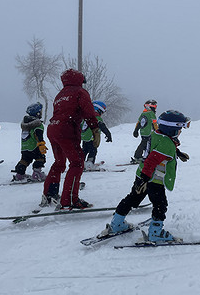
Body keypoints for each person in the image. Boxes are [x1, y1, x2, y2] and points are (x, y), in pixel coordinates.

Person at [101, 110, 191, 243]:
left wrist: (176, 152)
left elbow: (158, 149)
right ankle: (155, 233)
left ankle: (116, 224)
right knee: (160, 205)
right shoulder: (166, 144)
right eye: (179, 129)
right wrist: (145, 179)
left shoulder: (156, 135)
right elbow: (152, 160)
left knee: (132, 199)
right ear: (171, 129)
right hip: (153, 180)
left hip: (142, 176)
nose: (180, 131)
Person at [41, 68, 100, 209]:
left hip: (53, 128)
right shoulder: (80, 92)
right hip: (66, 130)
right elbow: (88, 111)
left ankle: (49, 193)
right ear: (79, 80)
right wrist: (95, 129)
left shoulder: (60, 95)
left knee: (59, 162)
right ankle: (70, 200)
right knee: (77, 162)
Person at [12, 102, 47, 182]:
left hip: (25, 147)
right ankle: (37, 173)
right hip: (34, 146)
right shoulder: (37, 124)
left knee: (25, 160)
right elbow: (38, 134)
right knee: (40, 158)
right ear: (37, 113)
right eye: (40, 111)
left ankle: (19, 174)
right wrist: (41, 144)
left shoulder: (25, 124)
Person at [81, 100, 112, 171]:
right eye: (101, 112)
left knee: (84, 150)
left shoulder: (85, 115)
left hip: (84, 137)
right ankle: (89, 164)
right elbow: (102, 126)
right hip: (91, 137)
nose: (101, 114)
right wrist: (108, 134)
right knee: (93, 150)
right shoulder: (96, 116)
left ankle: (81, 163)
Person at [131, 99, 158, 164]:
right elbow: (154, 123)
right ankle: (139, 156)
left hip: (143, 132)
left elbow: (139, 122)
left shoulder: (143, 113)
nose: (155, 108)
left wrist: (136, 130)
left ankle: (140, 155)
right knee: (147, 144)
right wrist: (157, 131)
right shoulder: (151, 113)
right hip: (149, 132)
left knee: (144, 143)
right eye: (155, 107)